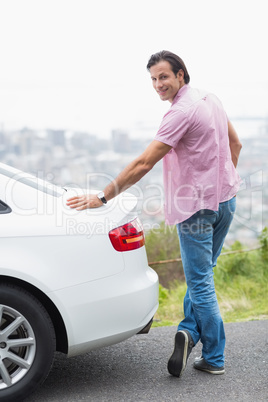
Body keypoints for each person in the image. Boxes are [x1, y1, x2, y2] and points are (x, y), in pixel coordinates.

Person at [67, 50, 242, 377]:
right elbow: (236, 145)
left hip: (196, 211)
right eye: (153, 79)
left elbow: (144, 163)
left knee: (201, 282)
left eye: (163, 76)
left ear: (180, 75)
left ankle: (214, 357)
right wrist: (224, 181)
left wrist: (102, 197)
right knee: (202, 274)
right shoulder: (211, 99)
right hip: (225, 202)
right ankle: (189, 332)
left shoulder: (179, 114)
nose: (158, 84)